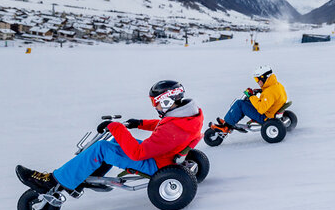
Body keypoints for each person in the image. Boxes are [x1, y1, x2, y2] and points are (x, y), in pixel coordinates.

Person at [16, 80, 204, 195]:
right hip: (166, 154)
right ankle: (91, 174)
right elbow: (167, 128)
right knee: (114, 143)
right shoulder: (188, 116)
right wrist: (139, 123)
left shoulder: (173, 127)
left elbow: (138, 153)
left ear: (167, 101)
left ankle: (54, 181)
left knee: (102, 148)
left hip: (156, 162)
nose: (156, 108)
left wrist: (114, 127)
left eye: (157, 103)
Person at [211, 65, 287, 133]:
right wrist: (260, 91)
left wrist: (251, 96)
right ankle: (228, 121)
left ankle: (226, 126)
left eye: (257, 79)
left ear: (264, 78)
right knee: (245, 103)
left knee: (240, 104)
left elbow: (261, 109)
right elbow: (271, 97)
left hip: (265, 117)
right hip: (272, 111)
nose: (257, 82)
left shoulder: (269, 92)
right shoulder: (276, 85)